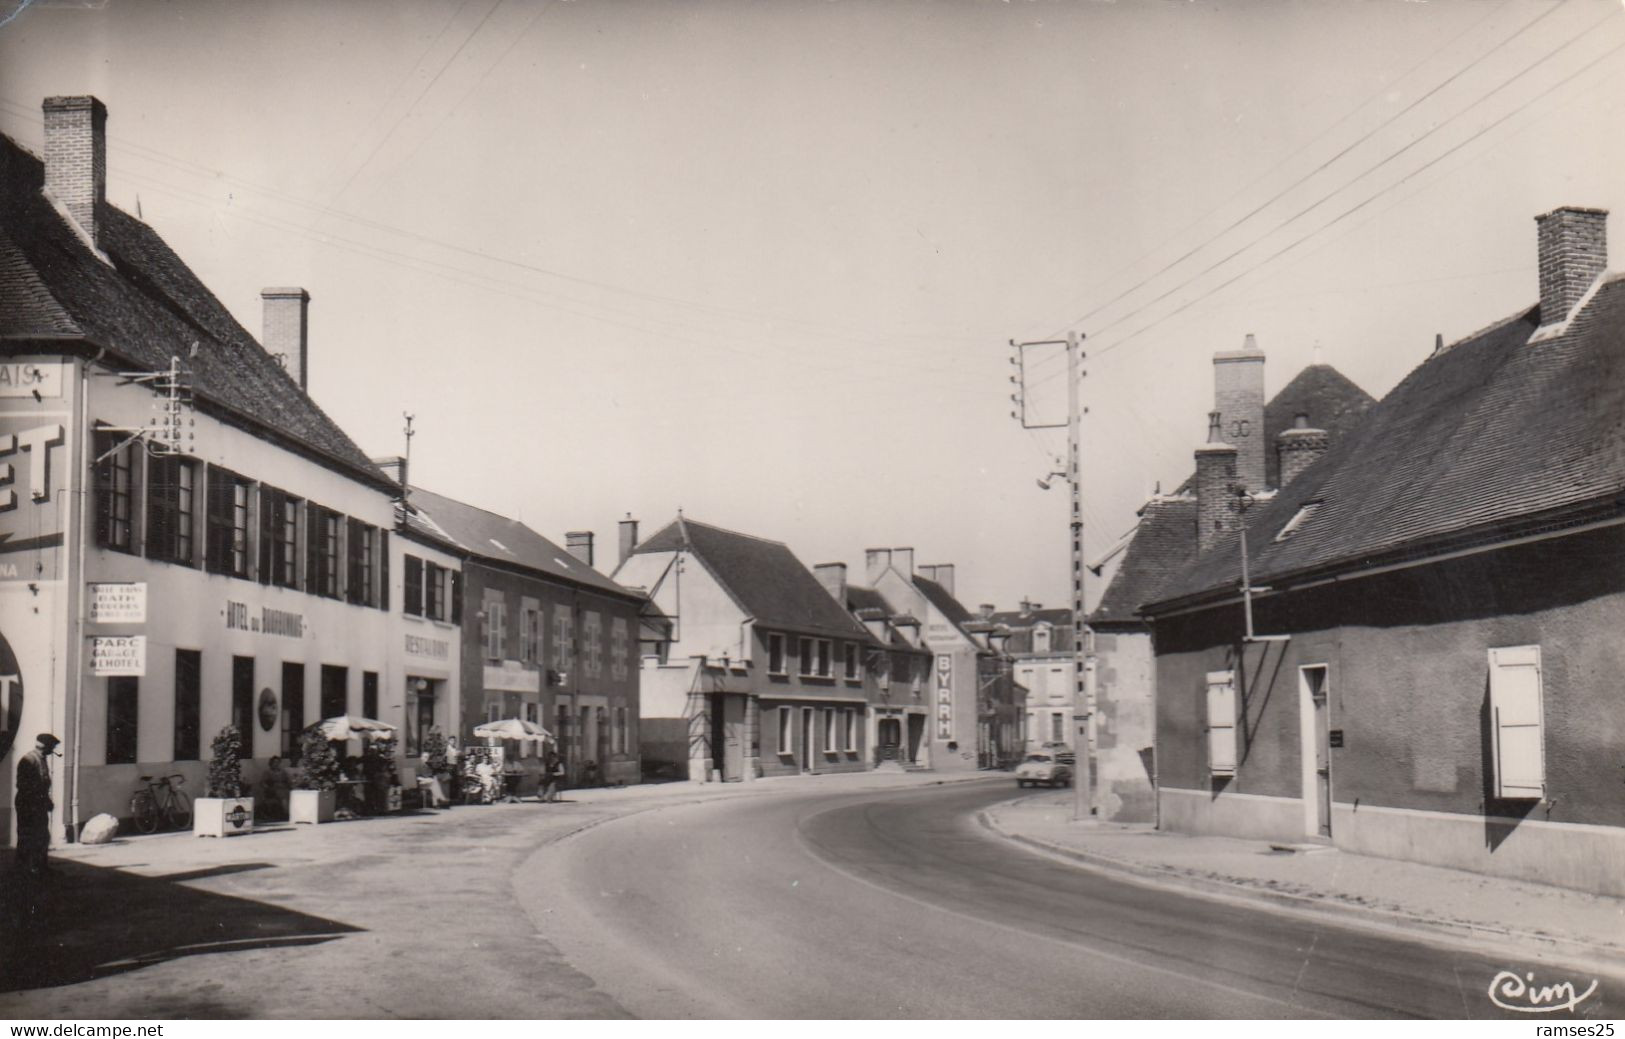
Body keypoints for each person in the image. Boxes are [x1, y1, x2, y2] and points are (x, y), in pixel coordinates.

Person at [15, 733, 60, 881]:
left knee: (42, 836)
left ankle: (41, 867)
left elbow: (42, 784)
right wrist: (40, 800)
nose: (53, 750)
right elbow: (24, 786)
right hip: (28, 804)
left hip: (38, 804)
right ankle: (24, 869)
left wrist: (46, 800)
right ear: (46, 747)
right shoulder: (28, 760)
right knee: (27, 836)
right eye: (52, 747)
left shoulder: (42, 759)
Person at [259, 755, 292, 820]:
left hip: (284, 788)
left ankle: (291, 812)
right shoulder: (268, 772)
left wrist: (290, 785)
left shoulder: (283, 772)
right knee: (283, 795)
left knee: (291, 794)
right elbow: (262, 782)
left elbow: (288, 781)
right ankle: (286, 813)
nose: (276, 764)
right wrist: (267, 788)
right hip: (273, 789)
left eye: (278, 762)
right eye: (274, 762)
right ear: (271, 763)